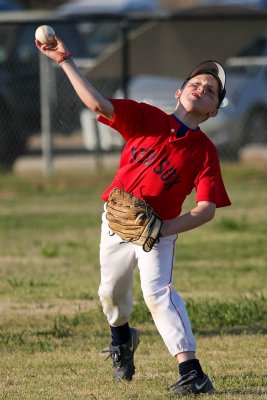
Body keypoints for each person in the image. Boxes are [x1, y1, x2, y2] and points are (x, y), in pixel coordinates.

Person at [36, 34, 231, 396]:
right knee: (109, 294)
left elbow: (206, 209)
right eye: (196, 83)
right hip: (115, 222)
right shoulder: (145, 117)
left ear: (214, 110)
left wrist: (165, 228)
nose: (202, 88)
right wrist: (65, 61)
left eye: (211, 90)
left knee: (159, 293)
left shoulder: (204, 152)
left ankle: (192, 372)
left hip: (158, 234)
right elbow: (97, 103)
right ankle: (122, 339)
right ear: (179, 92)